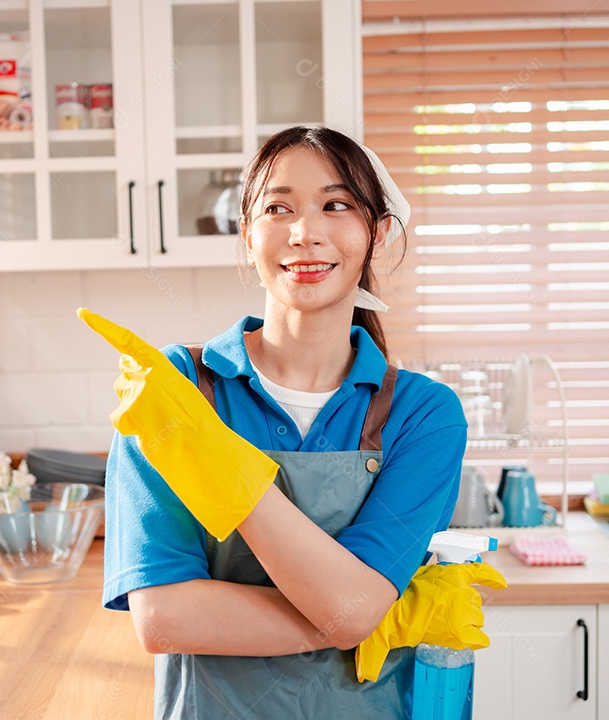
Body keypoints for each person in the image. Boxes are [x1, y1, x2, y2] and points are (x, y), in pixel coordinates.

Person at [95, 126, 470, 717]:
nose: (306, 232)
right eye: (278, 208)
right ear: (248, 235)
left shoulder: (422, 414)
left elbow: (351, 609)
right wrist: (352, 615)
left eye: (336, 204)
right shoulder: (176, 389)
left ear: (374, 234)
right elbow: (163, 619)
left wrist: (223, 472)